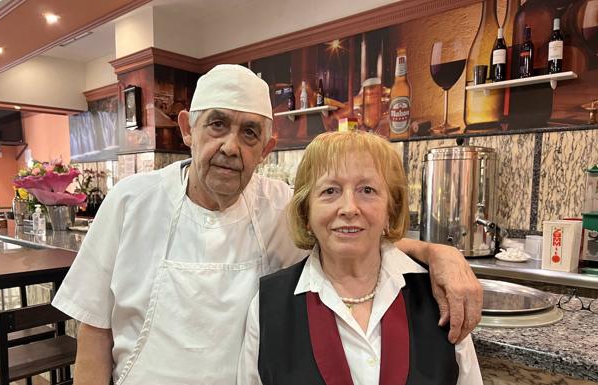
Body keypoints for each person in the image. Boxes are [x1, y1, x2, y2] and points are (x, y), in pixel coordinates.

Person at [51, 64, 482, 385]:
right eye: (217, 124)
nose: (230, 147)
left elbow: (353, 232)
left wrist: (437, 253)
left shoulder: (278, 203)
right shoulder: (130, 201)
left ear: (268, 148)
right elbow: (94, 329)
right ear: (188, 129)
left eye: (249, 133)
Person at [237, 131, 482, 385]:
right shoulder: (268, 305)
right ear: (305, 211)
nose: (349, 208)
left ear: (391, 210)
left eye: (367, 190)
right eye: (330, 191)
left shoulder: (439, 296)